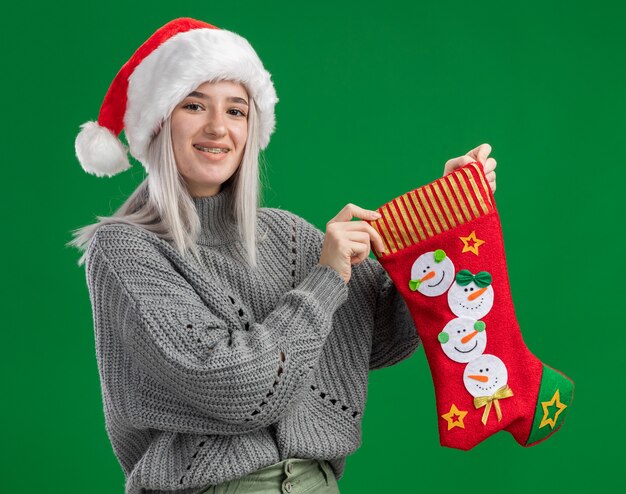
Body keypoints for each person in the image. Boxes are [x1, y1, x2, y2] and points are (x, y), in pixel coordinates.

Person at [68, 17, 496, 494]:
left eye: (236, 111)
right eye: (194, 105)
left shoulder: (285, 234)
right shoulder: (126, 251)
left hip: (315, 482)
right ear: (158, 122)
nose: (218, 128)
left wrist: (445, 219)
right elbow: (239, 388)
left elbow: (384, 335)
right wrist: (326, 278)